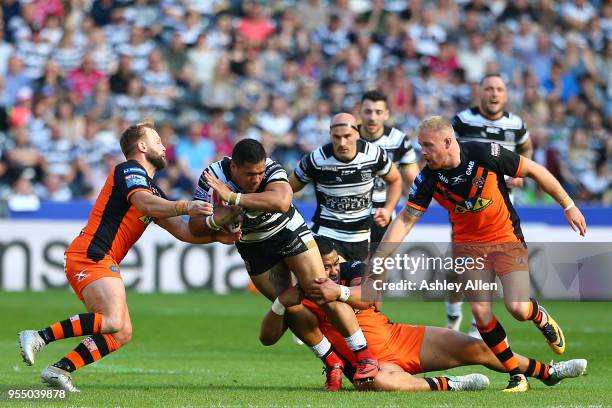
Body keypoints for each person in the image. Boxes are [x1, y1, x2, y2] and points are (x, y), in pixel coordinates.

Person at [18, 120, 240, 392]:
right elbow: (143, 203)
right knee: (111, 320)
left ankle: (58, 370)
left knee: (121, 332)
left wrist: (217, 236)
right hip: (91, 254)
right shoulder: (129, 170)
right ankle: (39, 336)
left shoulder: (154, 190)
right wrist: (186, 205)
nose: (163, 145)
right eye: (157, 140)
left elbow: (183, 231)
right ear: (142, 146)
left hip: (102, 258)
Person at [372, 116, 587, 392]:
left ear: (448, 142)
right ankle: (515, 375)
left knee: (518, 308)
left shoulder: (485, 153)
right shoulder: (428, 177)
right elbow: (405, 219)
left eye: (427, 145)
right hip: (468, 246)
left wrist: (568, 205)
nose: (422, 152)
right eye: (420, 145)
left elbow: (534, 170)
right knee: (480, 310)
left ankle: (539, 316)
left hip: (505, 237)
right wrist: (381, 256)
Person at [259, 236, 587, 392]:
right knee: (383, 383)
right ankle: (452, 385)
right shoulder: (300, 297)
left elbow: (370, 296)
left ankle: (547, 371)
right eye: (324, 266)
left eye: (333, 264)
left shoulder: (351, 271)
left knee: (478, 348)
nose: (329, 271)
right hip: (369, 363)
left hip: (401, 337)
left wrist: (339, 291)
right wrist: (279, 302)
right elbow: (267, 338)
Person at [188, 138, 380, 386]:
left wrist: (234, 198)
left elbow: (281, 202)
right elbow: (194, 227)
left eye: (259, 173)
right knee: (288, 305)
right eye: (249, 174)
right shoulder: (212, 176)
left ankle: (365, 357)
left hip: (288, 232)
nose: (256, 179)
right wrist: (216, 220)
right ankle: (331, 361)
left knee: (322, 290)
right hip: (253, 246)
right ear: (233, 167)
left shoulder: (270, 168)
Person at [447, 73, 533, 336]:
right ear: (480, 92)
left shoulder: (516, 125)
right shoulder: (462, 121)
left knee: (491, 268)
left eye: (499, 89)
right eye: (489, 89)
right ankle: (453, 317)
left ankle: (477, 325)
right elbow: (447, 151)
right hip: (467, 208)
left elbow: (526, 148)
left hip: (501, 211)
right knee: (458, 268)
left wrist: (520, 173)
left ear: (505, 95)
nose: (494, 94)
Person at [289, 113, 402, 262]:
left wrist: (388, 209)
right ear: (330, 135)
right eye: (336, 137)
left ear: (357, 134)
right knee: (332, 280)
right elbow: (287, 189)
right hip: (327, 233)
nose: (342, 142)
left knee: (357, 283)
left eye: (347, 136)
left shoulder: (374, 155)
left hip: (361, 236)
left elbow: (395, 180)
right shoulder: (315, 160)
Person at [358, 90, 419, 253]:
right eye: (368, 111)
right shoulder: (348, 138)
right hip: (352, 211)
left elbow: (415, 181)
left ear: (386, 114)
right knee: (350, 272)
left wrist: (404, 214)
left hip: (384, 211)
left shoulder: (399, 141)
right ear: (360, 112)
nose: (372, 117)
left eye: (378, 112)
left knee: (377, 267)